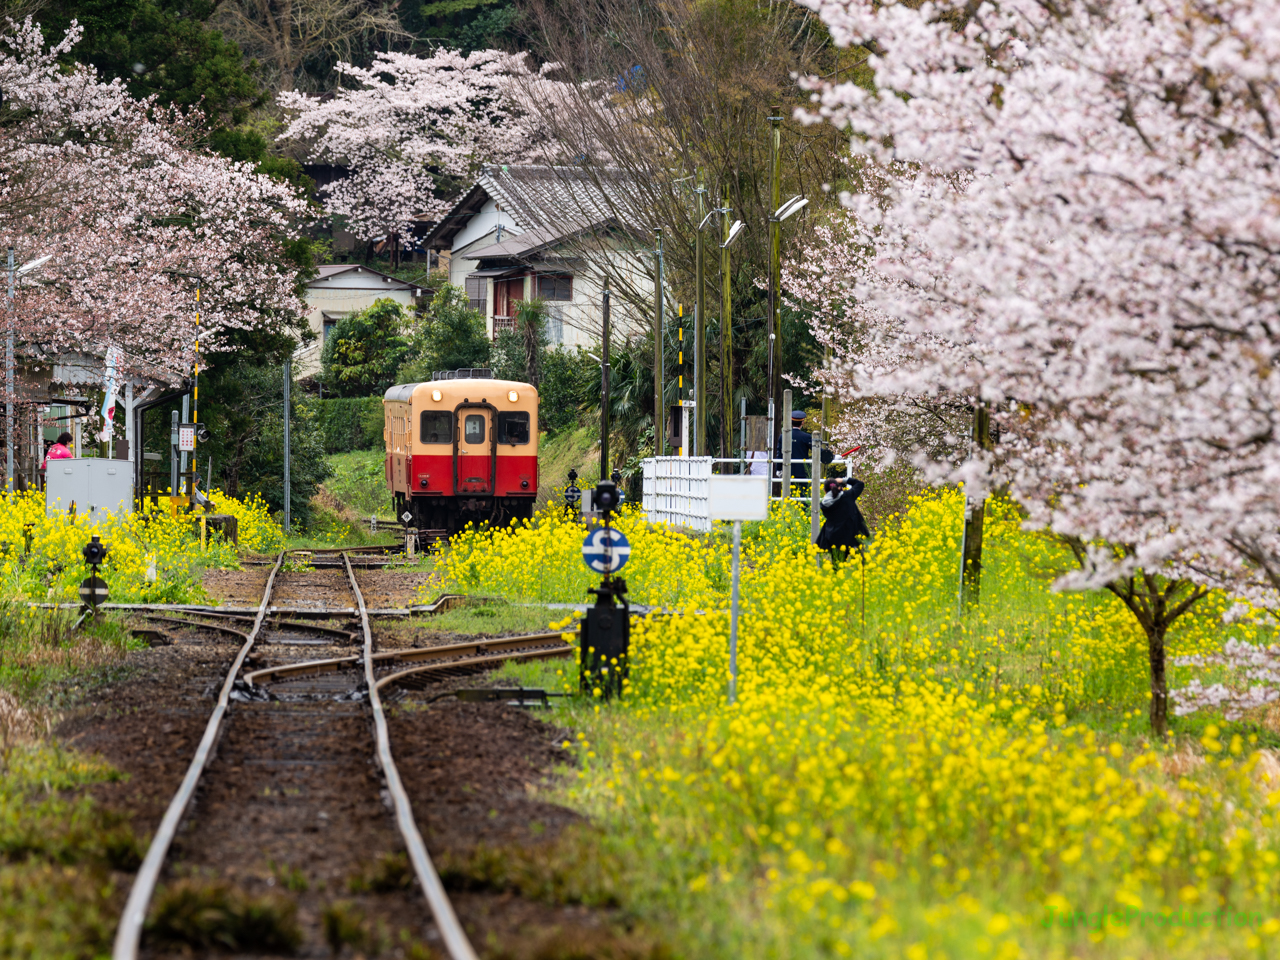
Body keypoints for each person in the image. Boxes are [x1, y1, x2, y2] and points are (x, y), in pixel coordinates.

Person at [816, 478, 870, 566]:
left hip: (835, 539)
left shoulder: (824, 505)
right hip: (854, 537)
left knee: (837, 567)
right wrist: (843, 480)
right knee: (860, 566)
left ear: (825, 491)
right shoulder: (848, 496)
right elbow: (860, 484)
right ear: (839, 487)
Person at [774, 409, 834, 481]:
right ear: (802, 423)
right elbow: (816, 449)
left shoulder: (783, 436)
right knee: (803, 491)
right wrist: (831, 456)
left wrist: (778, 469)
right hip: (803, 471)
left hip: (787, 470)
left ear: (791, 422)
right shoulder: (806, 437)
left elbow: (779, 454)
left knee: (788, 491)